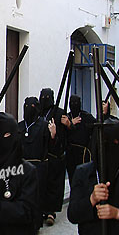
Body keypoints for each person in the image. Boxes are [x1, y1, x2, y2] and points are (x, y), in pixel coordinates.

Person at [17, 96, 53, 231]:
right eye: (27, 107)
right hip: (22, 167)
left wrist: (53, 135)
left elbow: (49, 146)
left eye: (32, 107)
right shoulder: (20, 126)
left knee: (37, 196)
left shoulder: (44, 125)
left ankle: (36, 223)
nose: (29, 110)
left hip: (39, 167)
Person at [39, 88, 67, 225]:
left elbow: (66, 134)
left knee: (53, 185)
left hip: (55, 154)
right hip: (41, 154)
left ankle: (51, 211)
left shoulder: (59, 113)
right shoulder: (38, 112)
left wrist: (55, 134)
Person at [62, 94, 95, 186]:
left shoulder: (86, 117)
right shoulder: (66, 117)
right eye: (72, 103)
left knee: (84, 178)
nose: (74, 105)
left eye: (76, 103)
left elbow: (95, 128)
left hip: (83, 153)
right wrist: (70, 124)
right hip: (70, 152)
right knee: (73, 177)